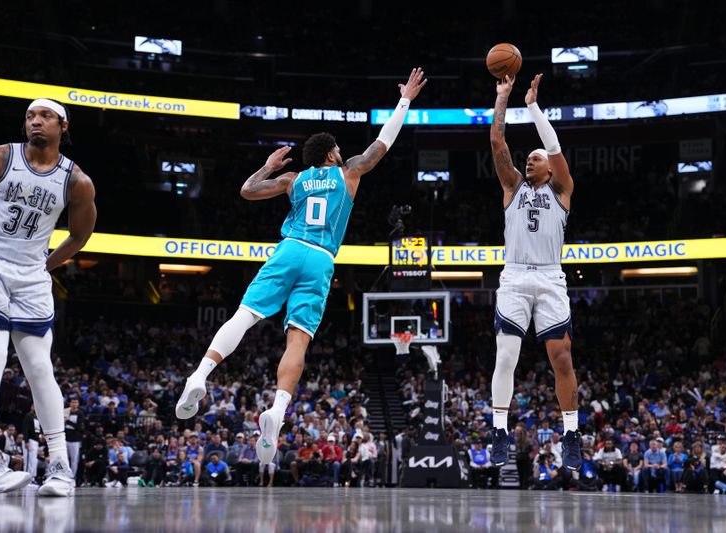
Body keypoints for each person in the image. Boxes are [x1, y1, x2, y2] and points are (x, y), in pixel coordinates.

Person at [176, 68, 427, 465]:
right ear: (331, 154)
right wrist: (405, 100)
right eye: (339, 148)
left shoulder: (294, 179)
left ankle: (199, 376)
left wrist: (269, 165)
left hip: (290, 248)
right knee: (298, 341)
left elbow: (247, 190)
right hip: (322, 259)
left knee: (244, 315)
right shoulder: (348, 172)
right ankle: (277, 410)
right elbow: (383, 143)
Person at [0, 98, 96, 497]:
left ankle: (61, 467)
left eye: (45, 116)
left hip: (31, 273)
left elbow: (80, 236)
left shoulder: (76, 181)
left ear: (64, 125)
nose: (35, 122)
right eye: (30, 116)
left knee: (39, 367)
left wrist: (46, 265)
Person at [488, 74, 581, 471]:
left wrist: (532, 106)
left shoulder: (561, 191)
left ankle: (572, 434)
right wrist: (503, 98)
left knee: (561, 359)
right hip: (514, 277)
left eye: (536, 158)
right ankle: (499, 430)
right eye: (528, 157)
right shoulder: (512, 186)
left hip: (550, 277)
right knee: (506, 355)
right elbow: (497, 143)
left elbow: (556, 147)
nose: (529, 159)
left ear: (550, 168)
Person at [64, 398, 85, 486]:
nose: (74, 404)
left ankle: (72, 477)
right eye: (72, 402)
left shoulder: (80, 413)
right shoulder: (66, 411)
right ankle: (64, 476)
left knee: (74, 460)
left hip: (75, 439)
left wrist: (68, 421)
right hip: (65, 438)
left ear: (78, 404)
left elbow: (79, 427)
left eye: (76, 402)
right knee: (65, 458)